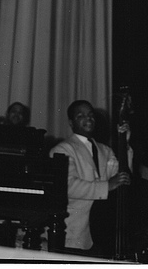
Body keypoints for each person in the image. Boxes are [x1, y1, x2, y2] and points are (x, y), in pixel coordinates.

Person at [49, 100, 132, 254]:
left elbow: (122, 177)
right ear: (71, 122)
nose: (88, 119)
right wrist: (107, 186)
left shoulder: (105, 150)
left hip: (101, 235)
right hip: (73, 234)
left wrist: (124, 144)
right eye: (81, 115)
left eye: (91, 115)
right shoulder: (62, 149)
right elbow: (69, 186)